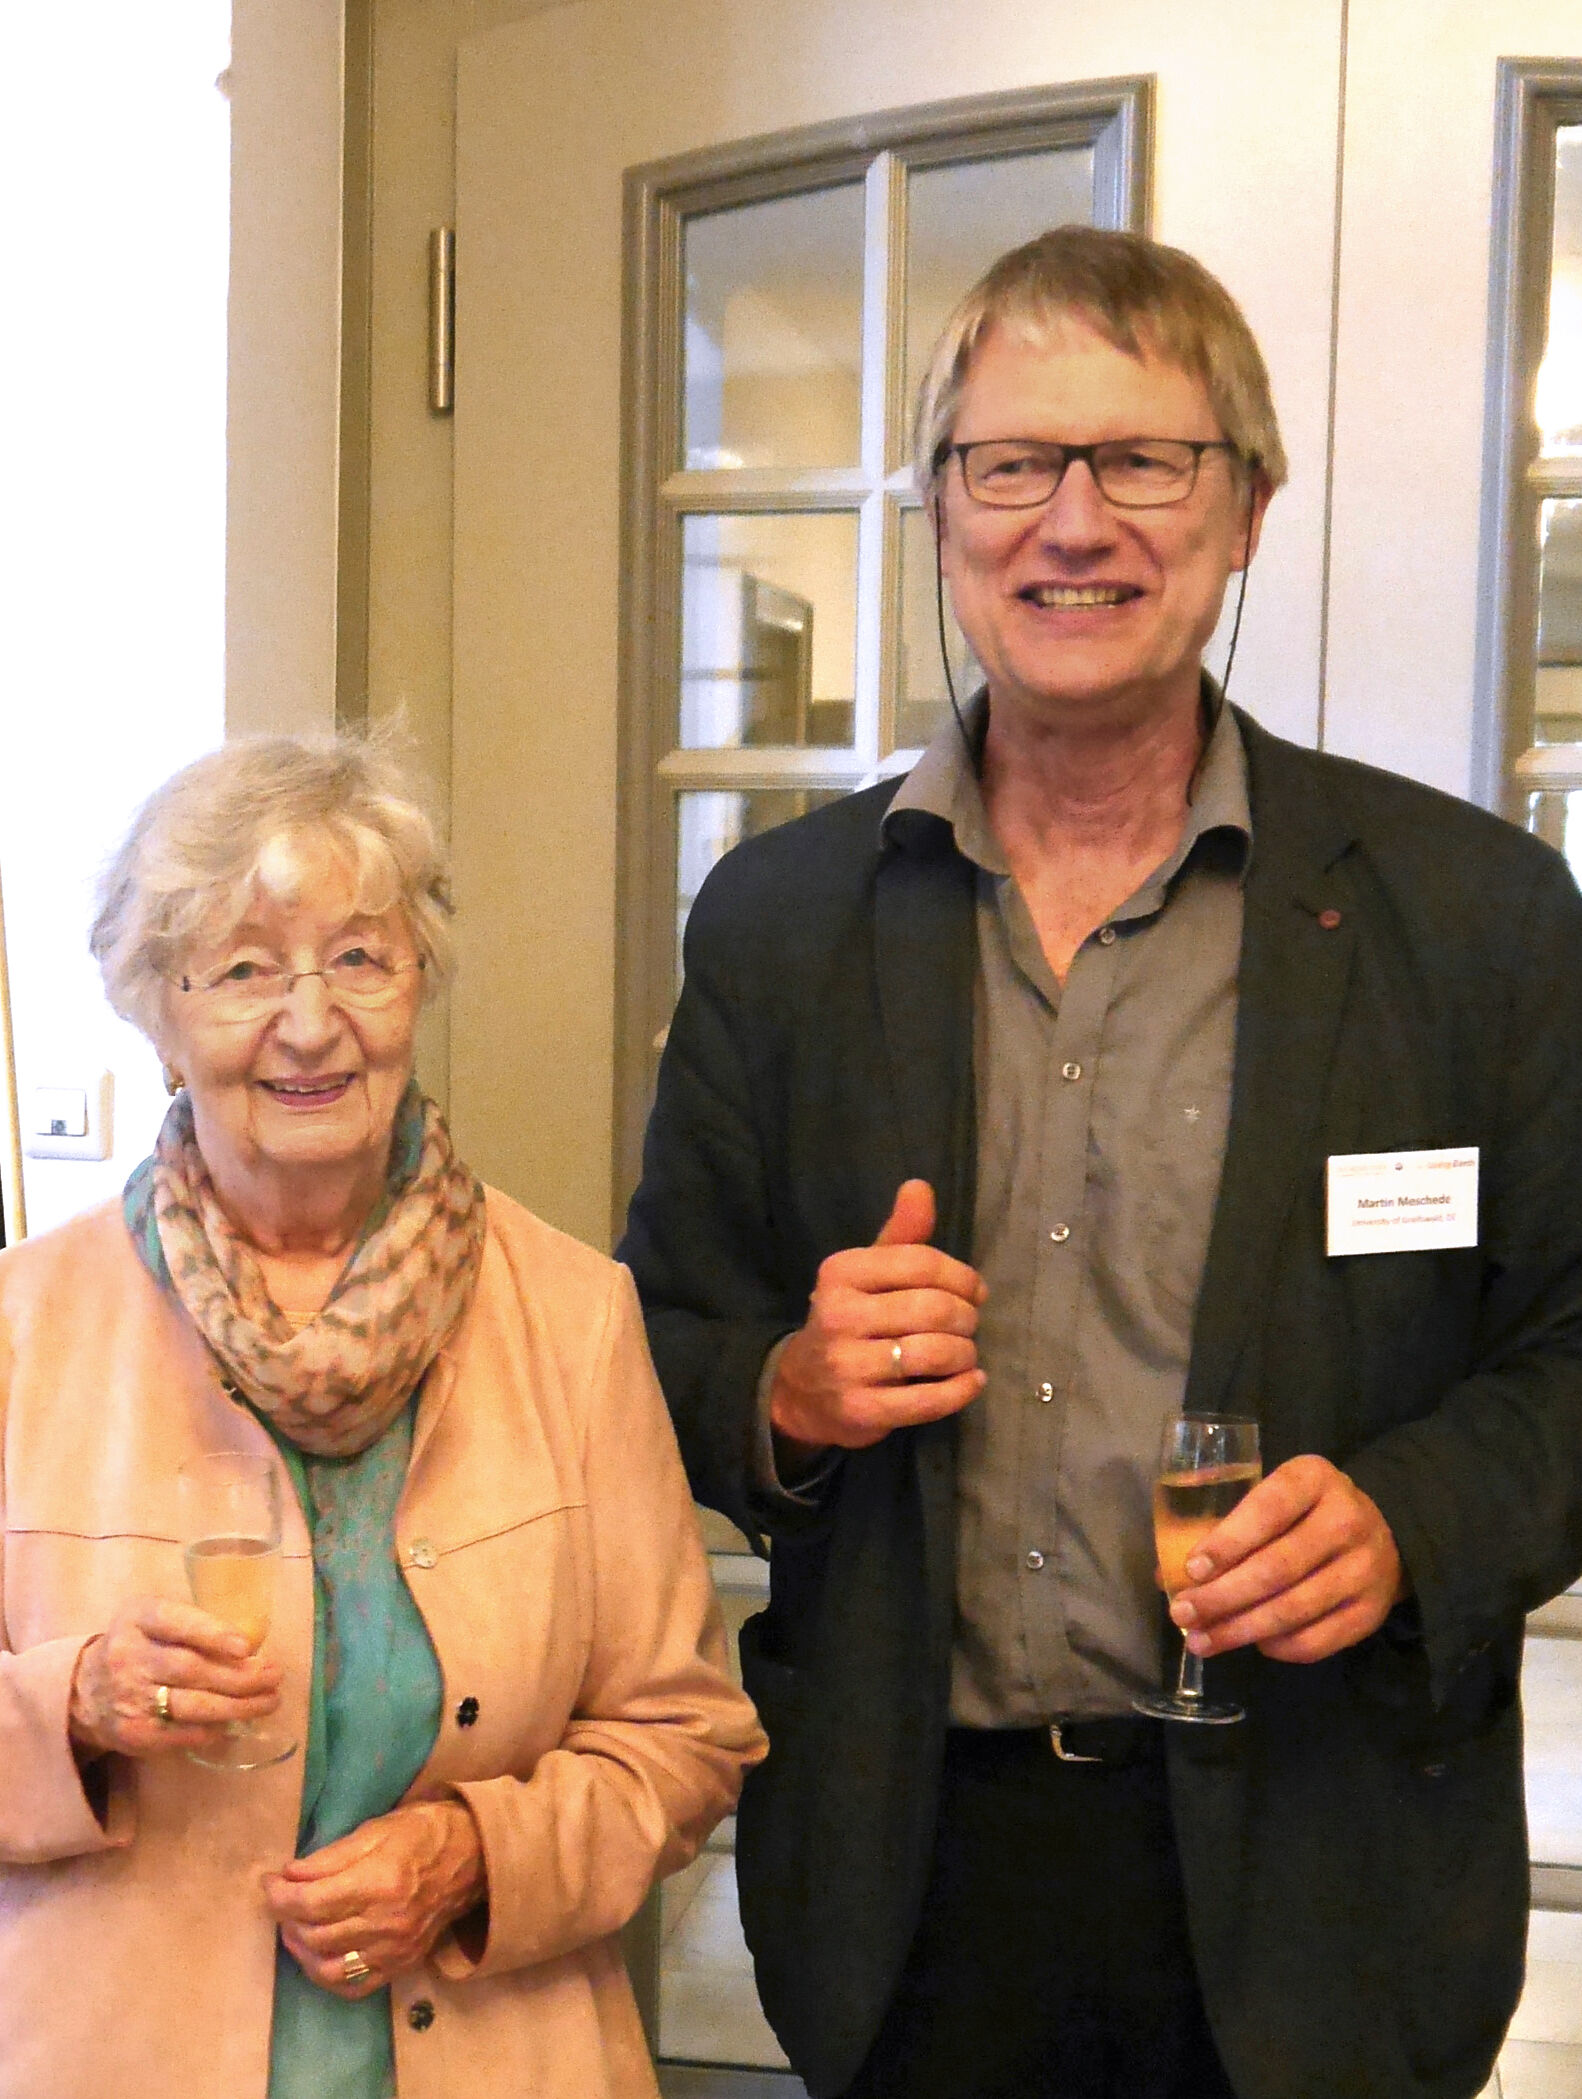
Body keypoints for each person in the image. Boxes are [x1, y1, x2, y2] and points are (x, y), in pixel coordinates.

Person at [620, 223, 1582, 2099]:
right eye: (1012, 464)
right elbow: (647, 1339)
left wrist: (1407, 1513)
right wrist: (786, 1391)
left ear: (1241, 510)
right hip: (909, 1878)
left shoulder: (1473, 917)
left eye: (1143, 460)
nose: (1075, 521)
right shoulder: (777, 921)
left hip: (1329, 1880)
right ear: (939, 515)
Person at [0, 736, 760, 2098]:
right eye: (244, 969)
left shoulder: (571, 1313)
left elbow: (682, 1736)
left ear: (417, 983)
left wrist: (472, 1857)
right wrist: (72, 1698)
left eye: (358, 959)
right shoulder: (11, 1322)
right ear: (158, 1014)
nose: (309, 1021)